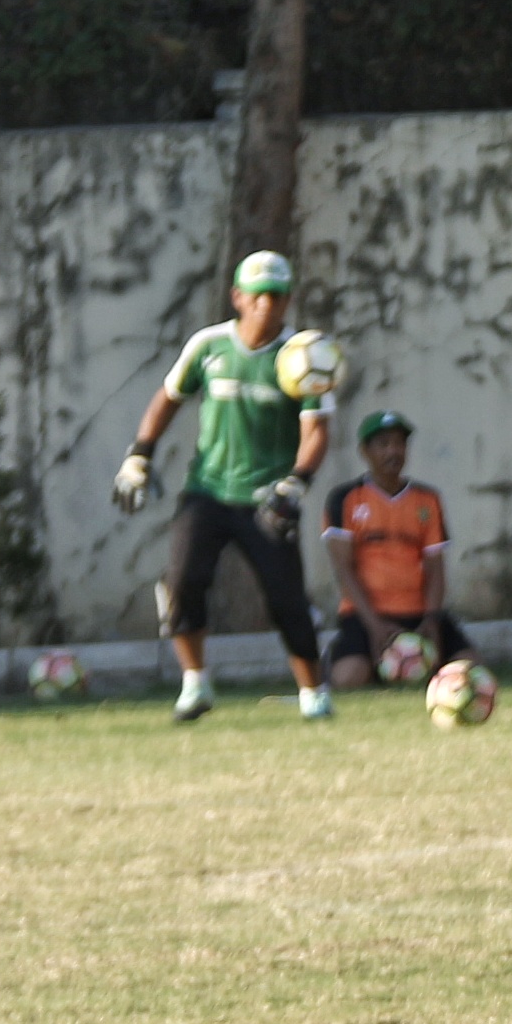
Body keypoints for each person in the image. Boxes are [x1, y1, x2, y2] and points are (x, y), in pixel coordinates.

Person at [113, 250, 335, 722]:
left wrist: (295, 484)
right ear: (237, 297)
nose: (266, 307)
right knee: (182, 584)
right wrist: (139, 455)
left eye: (276, 297)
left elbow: (316, 430)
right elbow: (168, 397)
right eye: (257, 296)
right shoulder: (209, 345)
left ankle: (314, 694)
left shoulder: (304, 355)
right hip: (207, 492)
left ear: (288, 300)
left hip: (267, 498)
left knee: (286, 598)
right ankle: (195, 685)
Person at [320, 410, 472, 689]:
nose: (393, 451)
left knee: (468, 669)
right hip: (366, 613)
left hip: (417, 612)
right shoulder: (345, 499)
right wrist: (374, 625)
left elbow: (436, 567)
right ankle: (345, 659)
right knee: (348, 678)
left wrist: (432, 619)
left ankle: (398, 664)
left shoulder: (427, 499)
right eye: (384, 444)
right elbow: (344, 569)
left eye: (400, 443)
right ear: (365, 451)